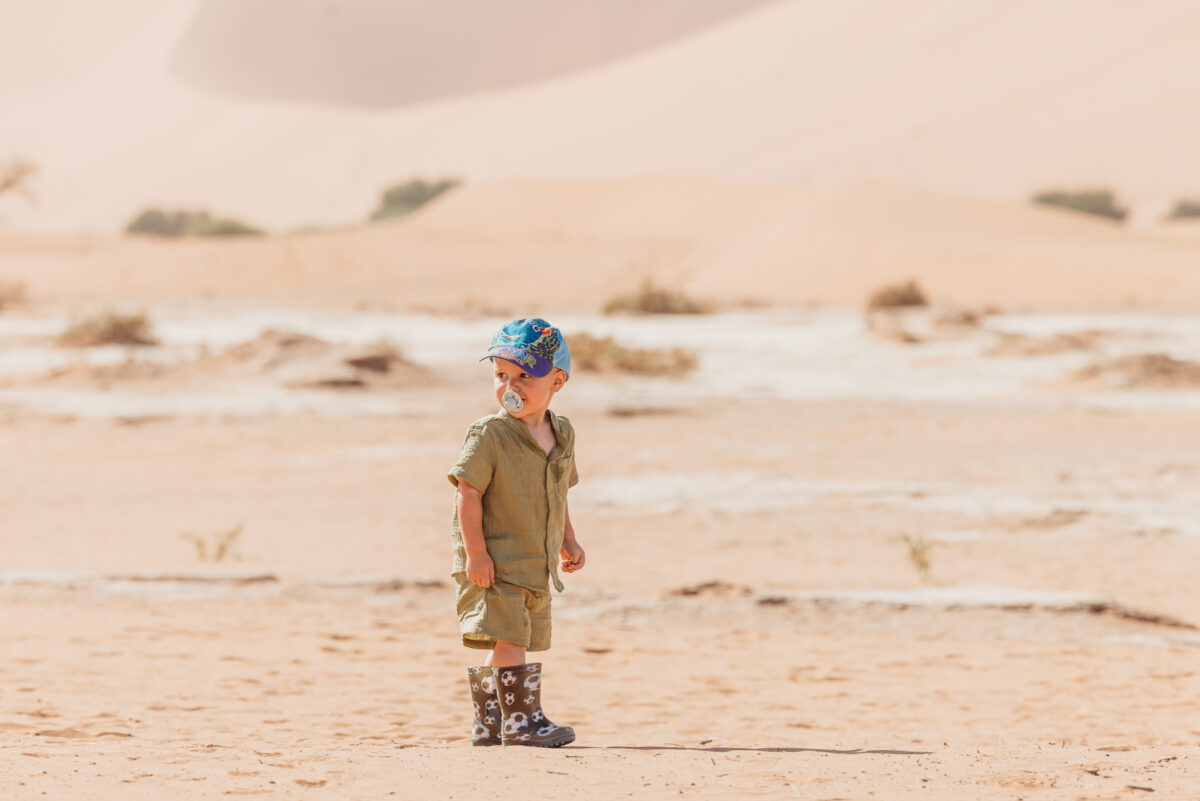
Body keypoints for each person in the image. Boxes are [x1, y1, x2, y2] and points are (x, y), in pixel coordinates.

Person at [448, 318, 586, 748]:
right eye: (502, 375)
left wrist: (568, 539)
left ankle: (489, 722)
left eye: (525, 376)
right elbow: (468, 492)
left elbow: (558, 492)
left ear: (557, 381)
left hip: (535, 561)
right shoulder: (489, 433)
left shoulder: (561, 433)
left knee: (515, 635)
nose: (511, 386)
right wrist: (476, 554)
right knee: (512, 637)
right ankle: (522, 721)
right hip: (496, 559)